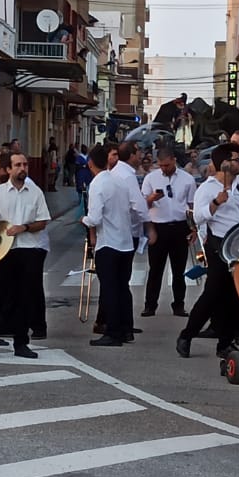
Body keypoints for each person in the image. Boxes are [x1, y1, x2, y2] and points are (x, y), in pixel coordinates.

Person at [176, 148, 239, 358]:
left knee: (232, 296)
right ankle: (187, 335)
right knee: (213, 294)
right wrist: (216, 203)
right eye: (236, 160)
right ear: (225, 163)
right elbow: (197, 218)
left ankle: (225, 343)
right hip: (218, 245)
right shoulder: (207, 189)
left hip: (237, 247)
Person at [0, 150, 50, 359]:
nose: (22, 168)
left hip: (29, 250)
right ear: (8, 169)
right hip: (4, 252)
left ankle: (21, 343)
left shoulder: (35, 193)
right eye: (18, 165)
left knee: (25, 298)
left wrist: (25, 228)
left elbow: (43, 221)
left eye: (25, 164)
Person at [84, 144, 141, 347]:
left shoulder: (97, 184)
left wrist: (85, 220)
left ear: (90, 163)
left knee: (109, 289)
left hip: (108, 242)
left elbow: (95, 216)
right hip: (125, 241)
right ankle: (126, 329)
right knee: (122, 287)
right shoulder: (119, 181)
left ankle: (113, 332)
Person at [142, 145, 197, 317]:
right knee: (155, 270)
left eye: (167, 165)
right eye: (161, 165)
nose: (164, 168)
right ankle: (150, 305)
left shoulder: (187, 179)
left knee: (178, 270)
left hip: (179, 227)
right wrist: (151, 198)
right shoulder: (151, 178)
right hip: (159, 226)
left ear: (174, 160)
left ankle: (179, 304)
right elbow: (142, 205)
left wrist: (193, 228)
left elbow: (191, 206)